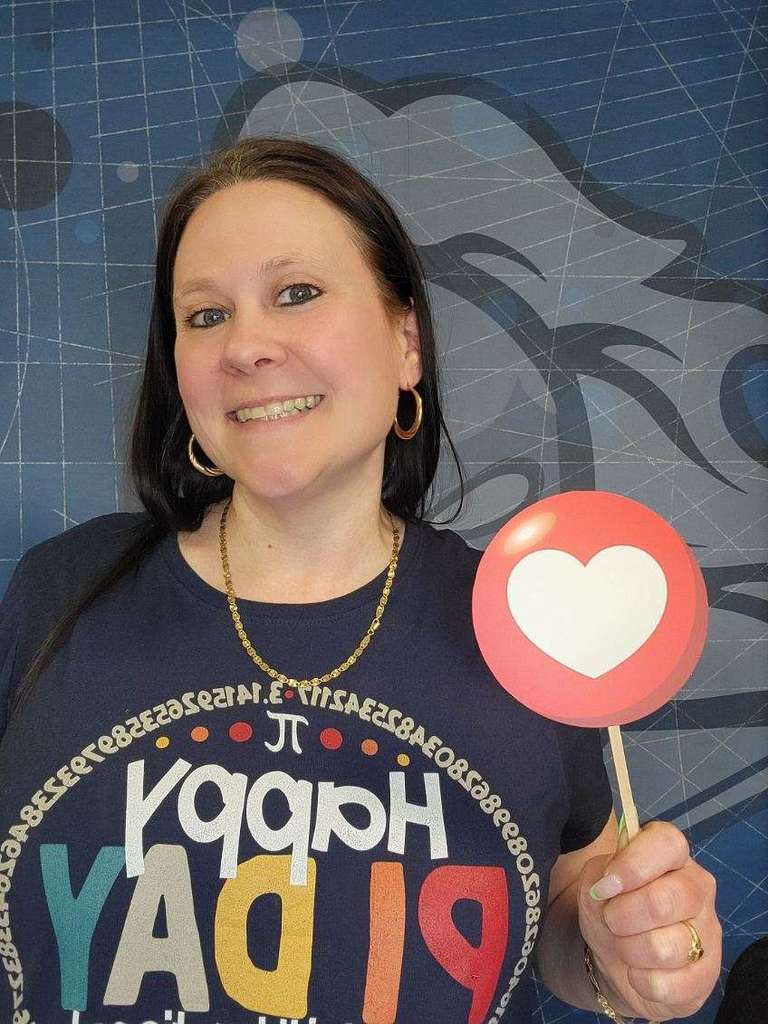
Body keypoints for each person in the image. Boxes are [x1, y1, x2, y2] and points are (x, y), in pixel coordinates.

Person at [0, 136, 721, 1024]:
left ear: (406, 341)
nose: (246, 345)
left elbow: (568, 905)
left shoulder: (524, 618)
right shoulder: (57, 593)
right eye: (205, 314)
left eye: (297, 293)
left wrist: (623, 949)